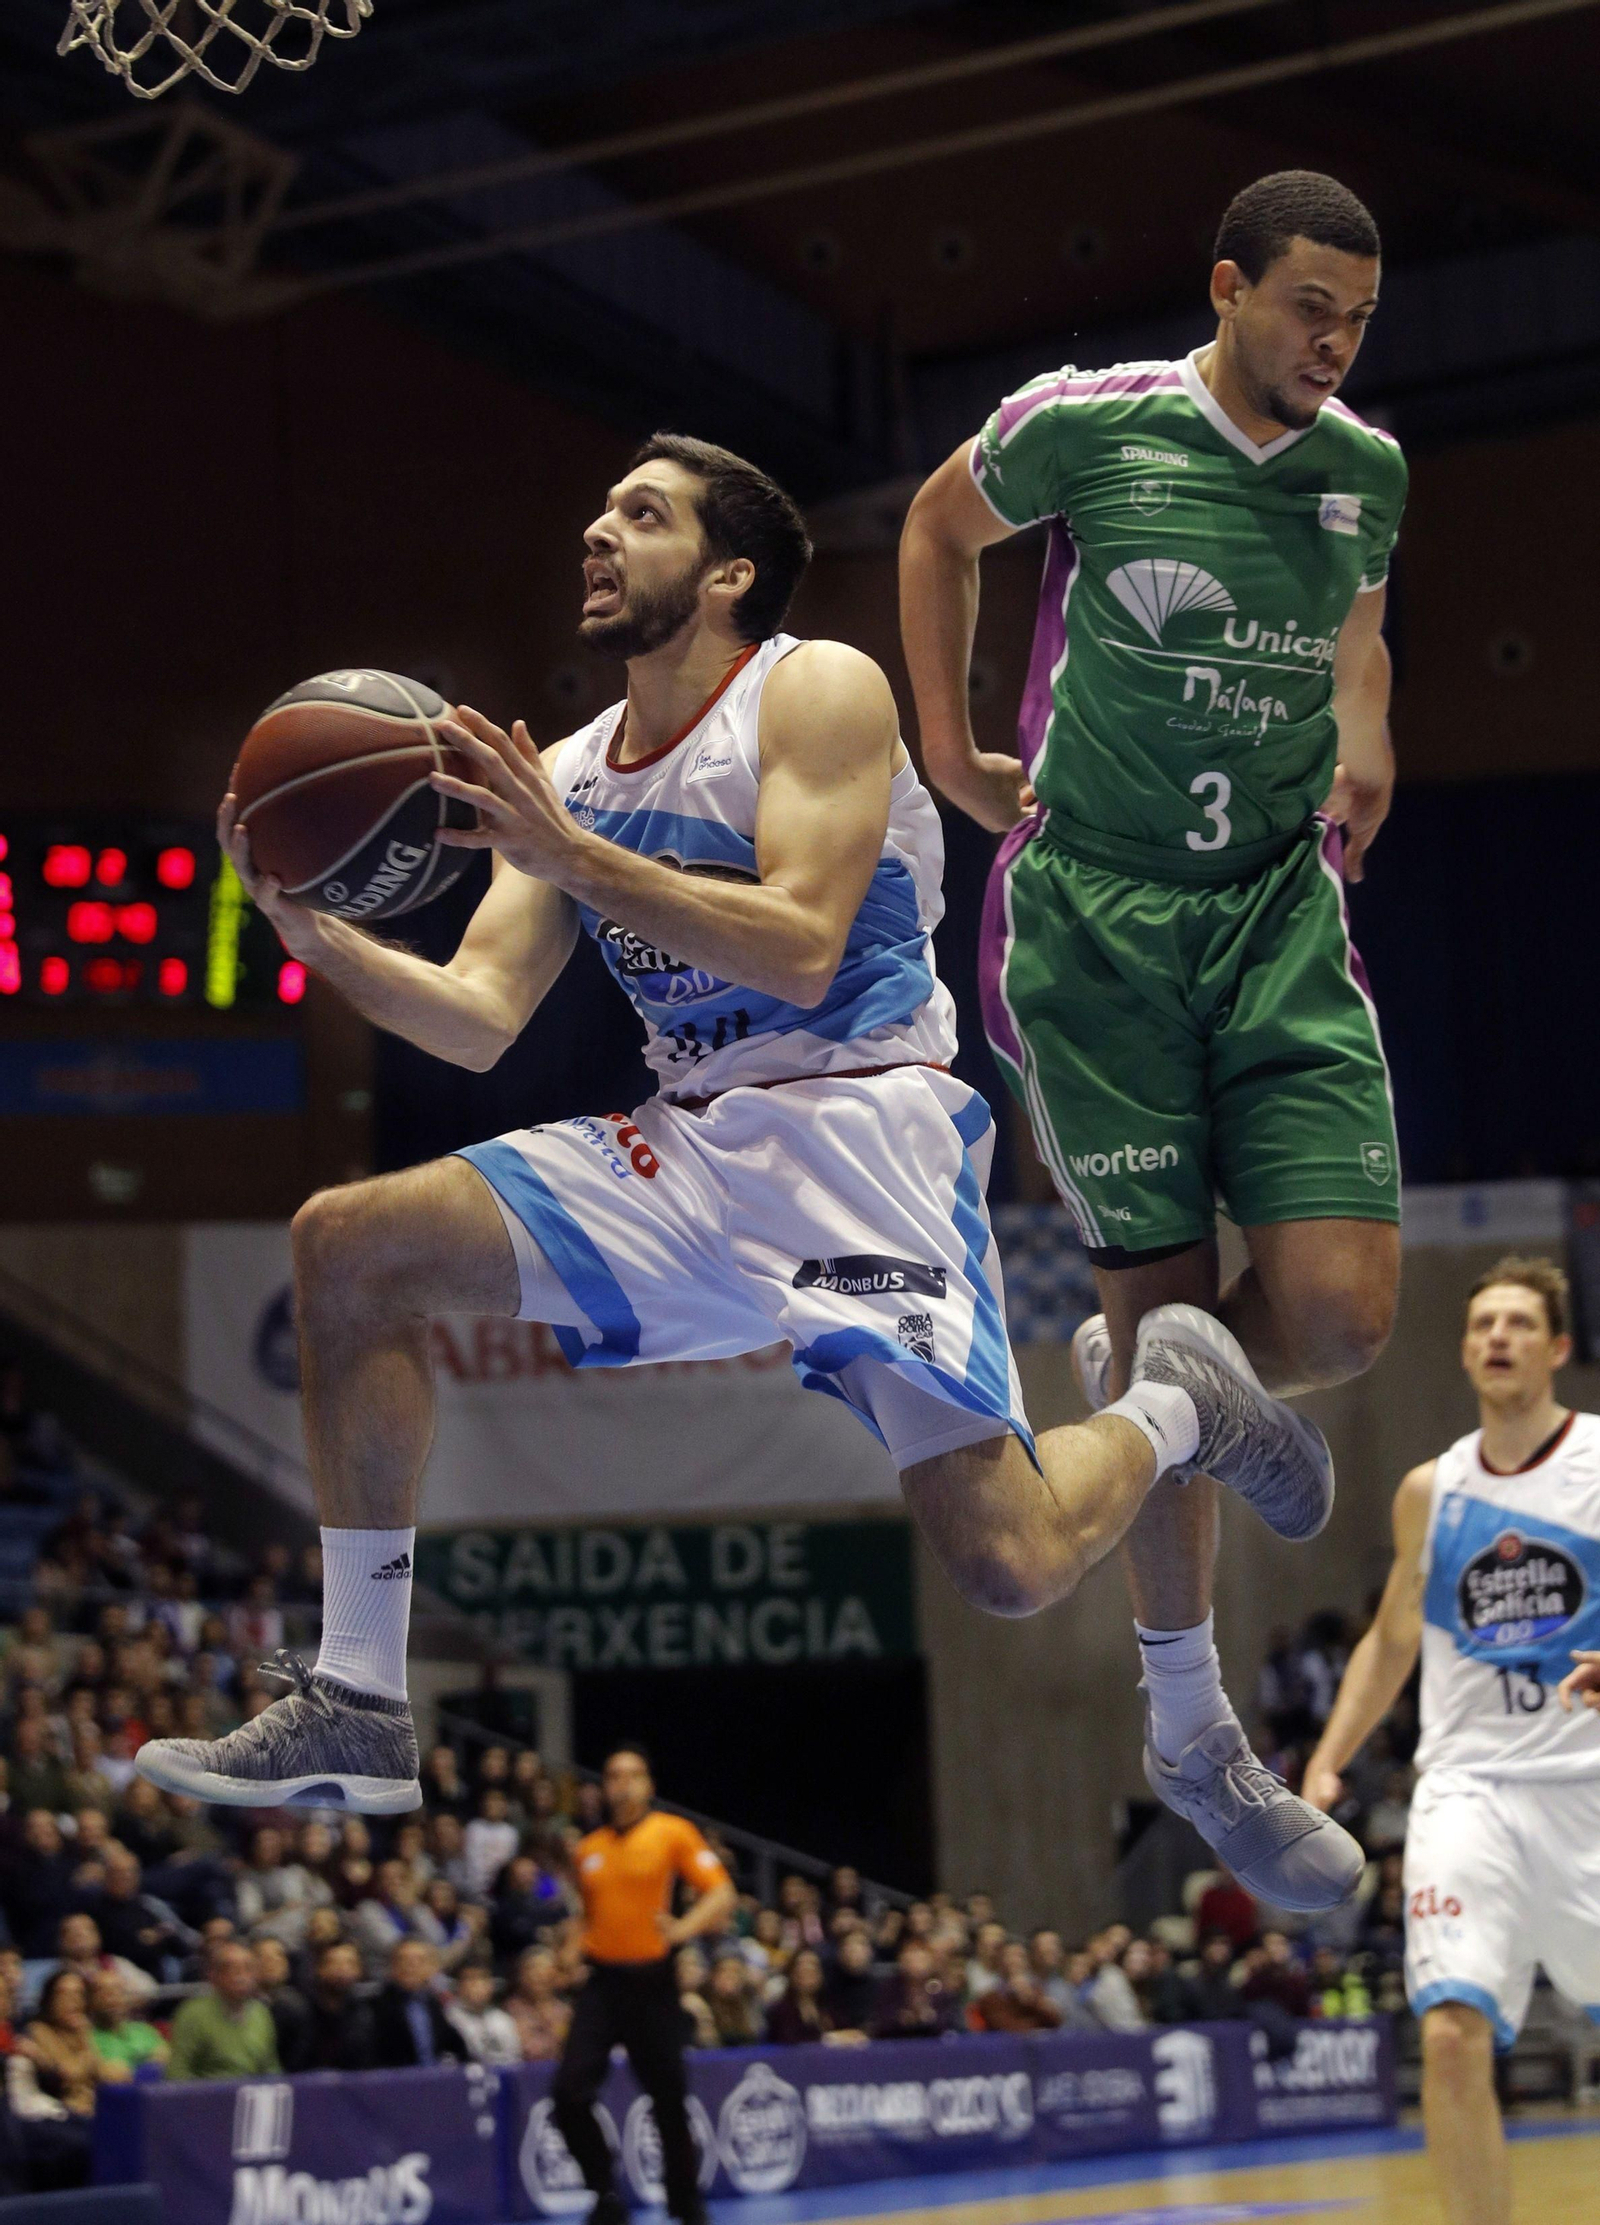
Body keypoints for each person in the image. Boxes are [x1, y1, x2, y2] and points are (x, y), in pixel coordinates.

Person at [135, 434, 1323, 1821]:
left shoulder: (814, 687)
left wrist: (569, 854)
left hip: (861, 1136)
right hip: (685, 1144)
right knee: (349, 1247)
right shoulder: (572, 766)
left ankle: (1182, 1400)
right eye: (599, 509)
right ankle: (357, 1697)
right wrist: (312, 935)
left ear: (729, 570)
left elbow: (806, 946)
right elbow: (477, 1016)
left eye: (641, 514)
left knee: (1012, 1562)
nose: (597, 531)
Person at [900, 169, 1406, 1915]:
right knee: (1160, 1307)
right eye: (1308, 308)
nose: (1335, 342)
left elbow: (1360, 631)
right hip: (1095, 920)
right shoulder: (1086, 431)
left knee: (1335, 1314)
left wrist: (1368, 732)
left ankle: (1159, 1413)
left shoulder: (1369, 472)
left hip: (1274, 908)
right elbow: (933, 530)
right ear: (1227, 289)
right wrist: (956, 750)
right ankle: (1194, 1739)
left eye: (1358, 316)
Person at [1303, 1257, 1600, 2225]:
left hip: (1585, 1780)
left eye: (1517, 1322)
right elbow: (1393, 1634)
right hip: (1466, 1786)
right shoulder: (1431, 1488)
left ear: (1556, 1346)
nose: (1496, 1338)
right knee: (1447, 2035)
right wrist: (1328, 1755)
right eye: (1481, 1324)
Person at [545, 1749, 732, 2225]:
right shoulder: (589, 1850)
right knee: (569, 2092)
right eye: (613, 1776)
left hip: (653, 1981)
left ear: (648, 1784)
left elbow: (721, 1892)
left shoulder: (672, 1832)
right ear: (603, 1787)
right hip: (603, 1984)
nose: (623, 1784)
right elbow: (586, 1918)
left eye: (633, 1775)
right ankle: (605, 2193)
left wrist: (683, 1929)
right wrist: (569, 1950)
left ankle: (685, 2203)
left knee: (669, 2099)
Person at [21, 1970, 131, 2115]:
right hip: (62, 2112)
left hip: (95, 2108)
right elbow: (68, 2073)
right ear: (50, 2000)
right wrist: (85, 2047)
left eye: (78, 1994)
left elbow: (107, 2074)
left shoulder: (83, 2030)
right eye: (64, 1995)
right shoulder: (39, 2031)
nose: (73, 2002)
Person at [167, 1941, 280, 2081]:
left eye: (248, 1968)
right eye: (230, 1969)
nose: (241, 1976)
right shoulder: (193, 2014)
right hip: (209, 2096)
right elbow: (178, 2073)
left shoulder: (261, 2013)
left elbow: (270, 2068)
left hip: (251, 2095)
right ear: (213, 1976)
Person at [370, 1938, 468, 2069]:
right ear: (392, 1967)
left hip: (432, 2081)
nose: (411, 1966)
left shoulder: (432, 2003)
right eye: (404, 1960)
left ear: (431, 1968)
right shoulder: (377, 2006)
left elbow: (455, 2044)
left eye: (419, 1961)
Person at [297, 1938, 377, 2073]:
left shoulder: (365, 2015)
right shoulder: (301, 2012)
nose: (342, 1969)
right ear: (319, 1969)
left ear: (359, 1971)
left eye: (350, 1963)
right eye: (334, 1962)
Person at [85, 1967, 167, 2076]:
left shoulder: (144, 2030)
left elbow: (166, 2057)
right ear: (91, 2000)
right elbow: (111, 2075)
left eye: (119, 1991)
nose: (113, 1999)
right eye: (104, 1992)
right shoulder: (86, 2038)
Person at [973, 1938, 1063, 2033]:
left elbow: (1056, 2022)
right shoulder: (990, 1997)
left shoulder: (1037, 1990)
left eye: (1020, 1956)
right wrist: (1038, 2027)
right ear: (1000, 1961)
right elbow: (1009, 2027)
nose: (1015, 1961)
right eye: (1009, 1956)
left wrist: (1032, 1999)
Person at [446, 1961, 522, 2067]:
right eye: (470, 1979)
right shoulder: (448, 2019)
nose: (478, 1985)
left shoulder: (502, 2019)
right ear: (459, 1985)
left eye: (483, 1979)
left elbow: (515, 2058)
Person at [505, 1945, 571, 2063]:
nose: (538, 1974)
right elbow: (528, 2050)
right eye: (532, 1968)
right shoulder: (510, 2011)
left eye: (543, 1968)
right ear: (521, 1975)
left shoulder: (565, 2011)